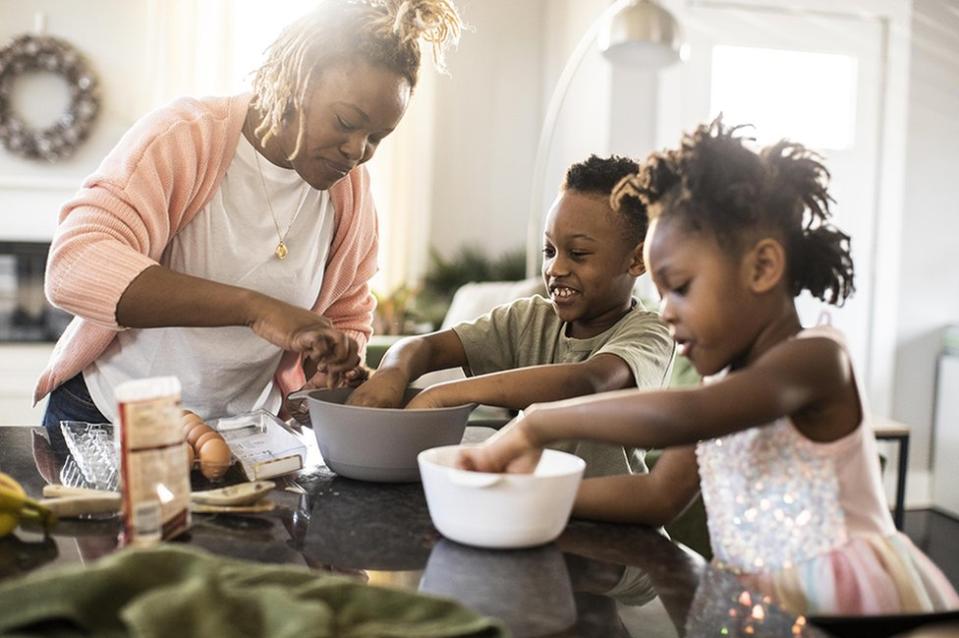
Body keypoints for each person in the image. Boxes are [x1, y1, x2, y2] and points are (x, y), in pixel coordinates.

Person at [459, 120, 959, 616]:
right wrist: (531, 494)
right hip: (754, 607)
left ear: (762, 268)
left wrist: (539, 422)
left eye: (681, 287)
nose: (668, 310)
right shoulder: (720, 382)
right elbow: (657, 495)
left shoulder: (818, 359)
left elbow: (686, 414)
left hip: (846, 606)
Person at [34, 0, 463, 444]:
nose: (357, 151)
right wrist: (257, 310)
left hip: (244, 437)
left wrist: (330, 361)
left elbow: (346, 314)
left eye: (377, 137)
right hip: (109, 420)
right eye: (346, 122)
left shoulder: (351, 195)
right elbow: (75, 266)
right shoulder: (185, 136)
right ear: (294, 81)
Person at [345, 155, 675, 478]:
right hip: (528, 509)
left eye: (578, 254)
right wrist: (391, 373)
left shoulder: (651, 331)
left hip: (610, 526)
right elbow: (424, 347)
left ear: (636, 260)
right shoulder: (528, 319)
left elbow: (584, 381)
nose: (555, 269)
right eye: (550, 251)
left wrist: (444, 394)